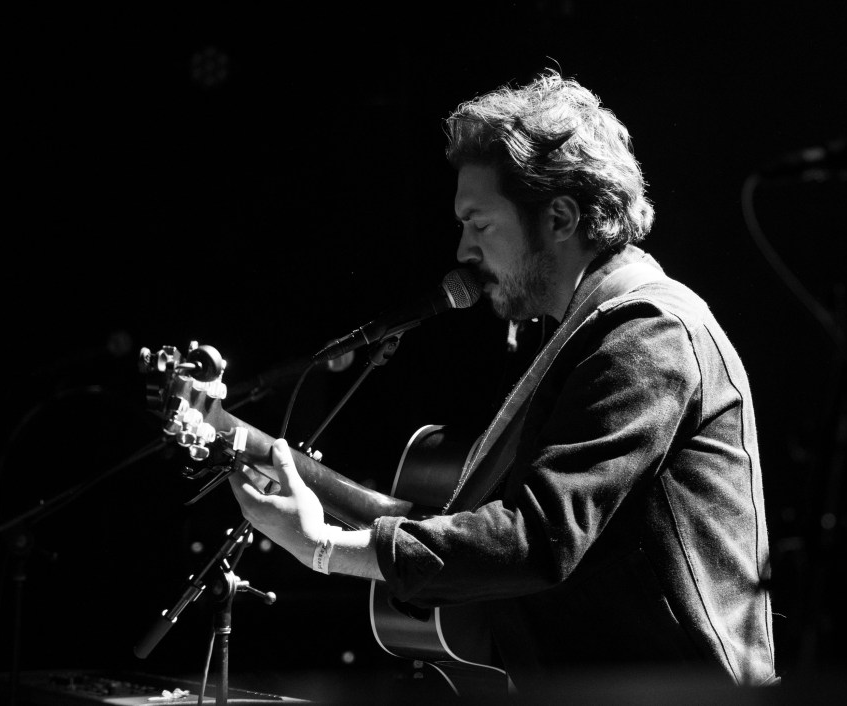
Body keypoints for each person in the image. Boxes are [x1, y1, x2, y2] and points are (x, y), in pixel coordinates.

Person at [229, 70, 778, 696]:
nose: (463, 250)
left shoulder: (648, 335)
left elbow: (535, 538)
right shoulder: (578, 335)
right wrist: (291, 479)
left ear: (560, 217)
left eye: (479, 224)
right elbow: (476, 530)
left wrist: (324, 547)